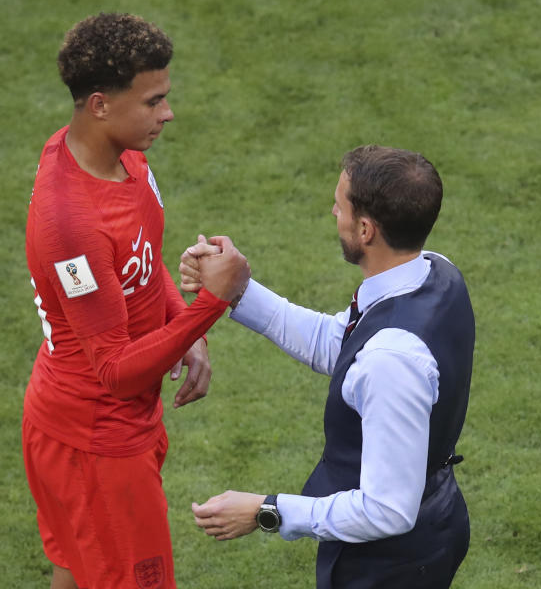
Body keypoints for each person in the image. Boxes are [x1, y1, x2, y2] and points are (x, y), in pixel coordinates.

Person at [22, 13, 249, 589]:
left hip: (103, 429)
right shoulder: (70, 223)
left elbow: (141, 270)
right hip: (94, 440)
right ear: (99, 104)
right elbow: (117, 371)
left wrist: (186, 329)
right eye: (153, 101)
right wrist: (211, 305)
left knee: (77, 575)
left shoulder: (123, 159)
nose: (167, 113)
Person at [181, 145, 475, 589]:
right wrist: (236, 288)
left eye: (340, 203)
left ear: (365, 229)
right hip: (431, 523)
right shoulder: (435, 271)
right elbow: (341, 343)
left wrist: (266, 510)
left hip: (390, 565)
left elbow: (387, 510)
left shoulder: (389, 362)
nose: (332, 210)